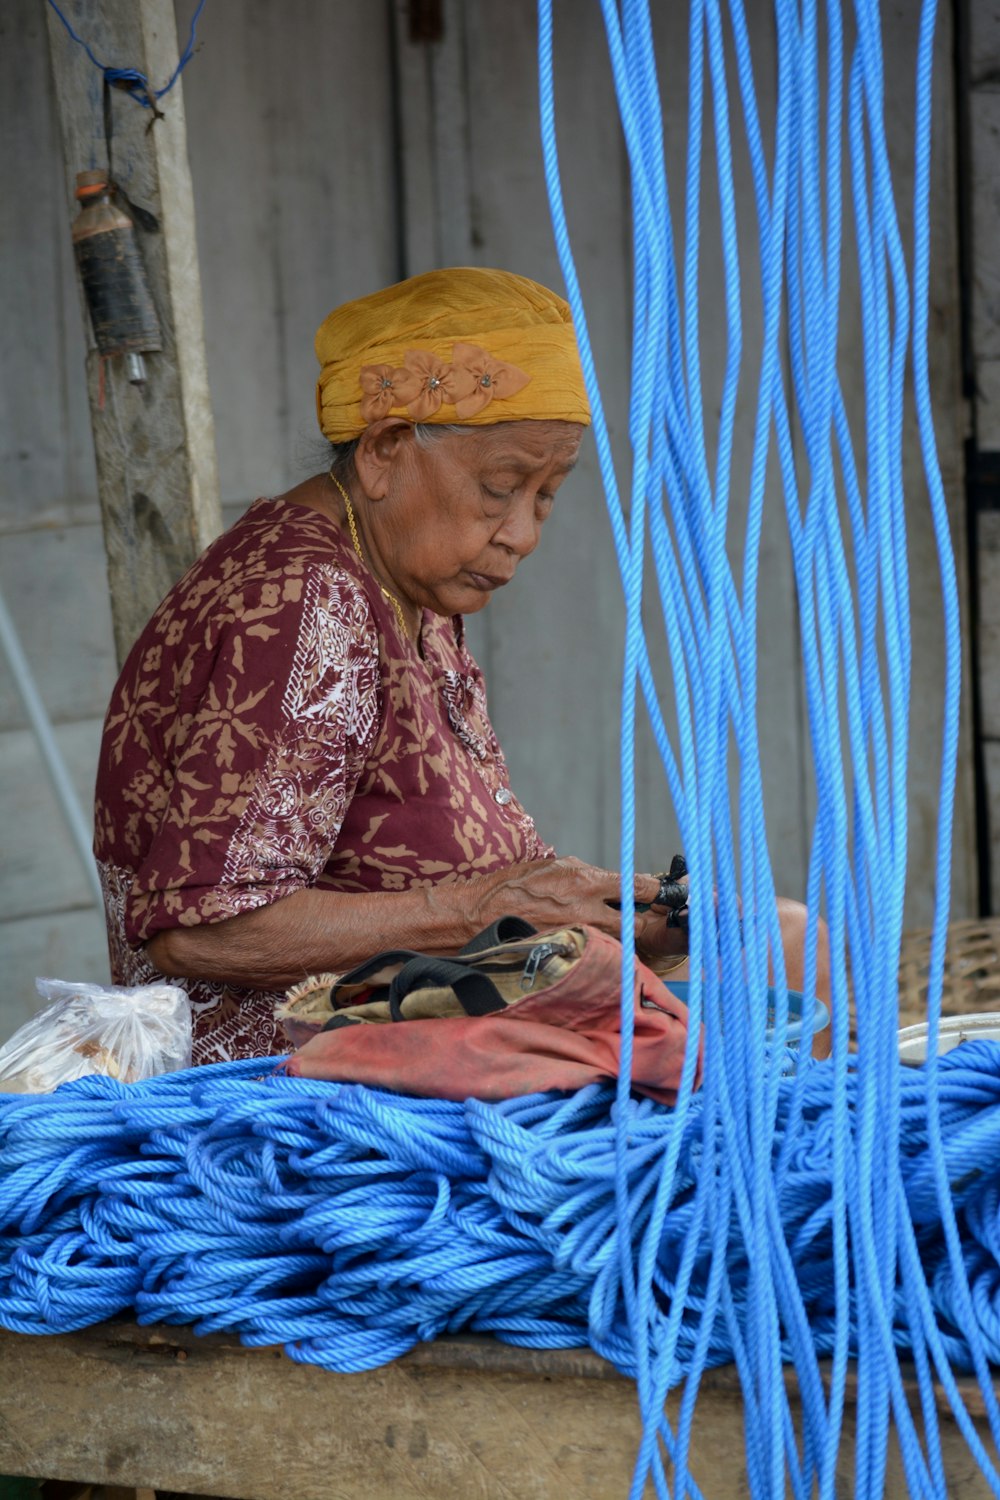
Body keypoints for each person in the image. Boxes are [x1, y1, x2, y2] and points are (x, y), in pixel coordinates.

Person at [94, 267, 827, 1064]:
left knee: (779, 941)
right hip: (298, 1068)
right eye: (501, 487)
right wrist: (490, 908)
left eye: (546, 495)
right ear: (383, 452)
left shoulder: (407, 589)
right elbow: (200, 928)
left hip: (429, 1011)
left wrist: (601, 916)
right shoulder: (310, 599)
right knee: (779, 961)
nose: (523, 533)